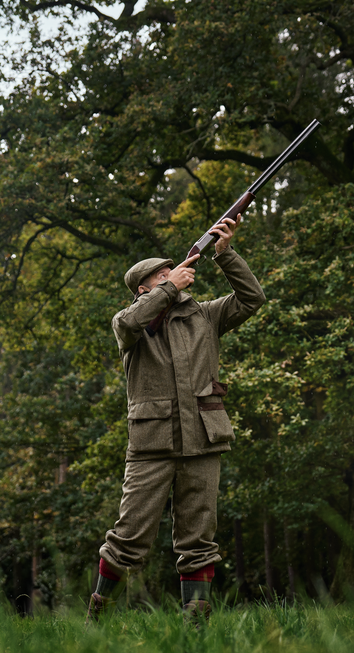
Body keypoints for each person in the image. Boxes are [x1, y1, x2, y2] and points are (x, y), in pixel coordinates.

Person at [88, 214, 266, 624]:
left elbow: (252, 299)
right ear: (143, 288)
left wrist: (226, 254)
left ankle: (196, 625)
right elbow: (130, 321)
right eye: (162, 275)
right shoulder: (129, 323)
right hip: (153, 444)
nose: (175, 275)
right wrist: (171, 288)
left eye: (174, 269)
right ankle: (97, 619)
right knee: (128, 537)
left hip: (204, 438)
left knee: (199, 539)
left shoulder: (204, 315)